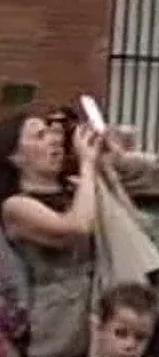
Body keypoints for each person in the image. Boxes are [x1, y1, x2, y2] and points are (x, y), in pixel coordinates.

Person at [0, 107, 101, 357]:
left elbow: (127, 222)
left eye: (53, 134)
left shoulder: (77, 189)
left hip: (94, 318)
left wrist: (104, 167)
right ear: (15, 156)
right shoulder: (15, 206)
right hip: (52, 329)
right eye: (40, 136)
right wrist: (87, 165)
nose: (55, 140)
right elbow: (75, 229)